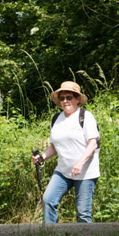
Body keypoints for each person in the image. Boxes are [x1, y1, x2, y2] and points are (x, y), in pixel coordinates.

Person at [32, 81, 100, 223]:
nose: (65, 101)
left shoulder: (86, 117)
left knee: (82, 213)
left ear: (77, 99)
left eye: (69, 97)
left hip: (85, 172)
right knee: (48, 200)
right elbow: (55, 146)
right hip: (63, 171)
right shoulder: (57, 119)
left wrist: (80, 163)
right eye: (62, 98)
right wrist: (42, 157)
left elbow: (93, 143)